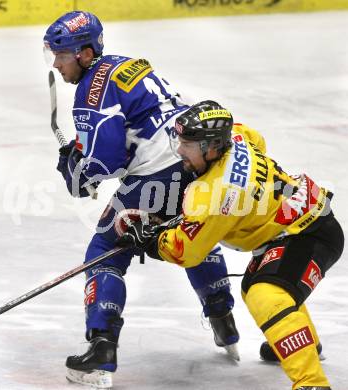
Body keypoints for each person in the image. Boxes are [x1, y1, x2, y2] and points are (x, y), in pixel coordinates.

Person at [43, 11, 240, 389]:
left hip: (156, 175)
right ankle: (223, 321)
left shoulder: (90, 94)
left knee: (105, 248)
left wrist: (75, 172)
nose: (56, 63)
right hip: (193, 164)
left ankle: (101, 348)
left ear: (84, 54)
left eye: (62, 55)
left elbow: (106, 162)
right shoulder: (126, 65)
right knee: (190, 234)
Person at [118, 100, 344, 390]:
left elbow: (187, 251)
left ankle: (312, 383)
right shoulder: (235, 136)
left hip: (309, 234)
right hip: (305, 219)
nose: (179, 151)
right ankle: (304, 343)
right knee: (257, 284)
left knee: (268, 294)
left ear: (211, 148)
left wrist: (150, 241)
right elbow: (256, 140)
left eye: (188, 144)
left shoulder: (213, 195)